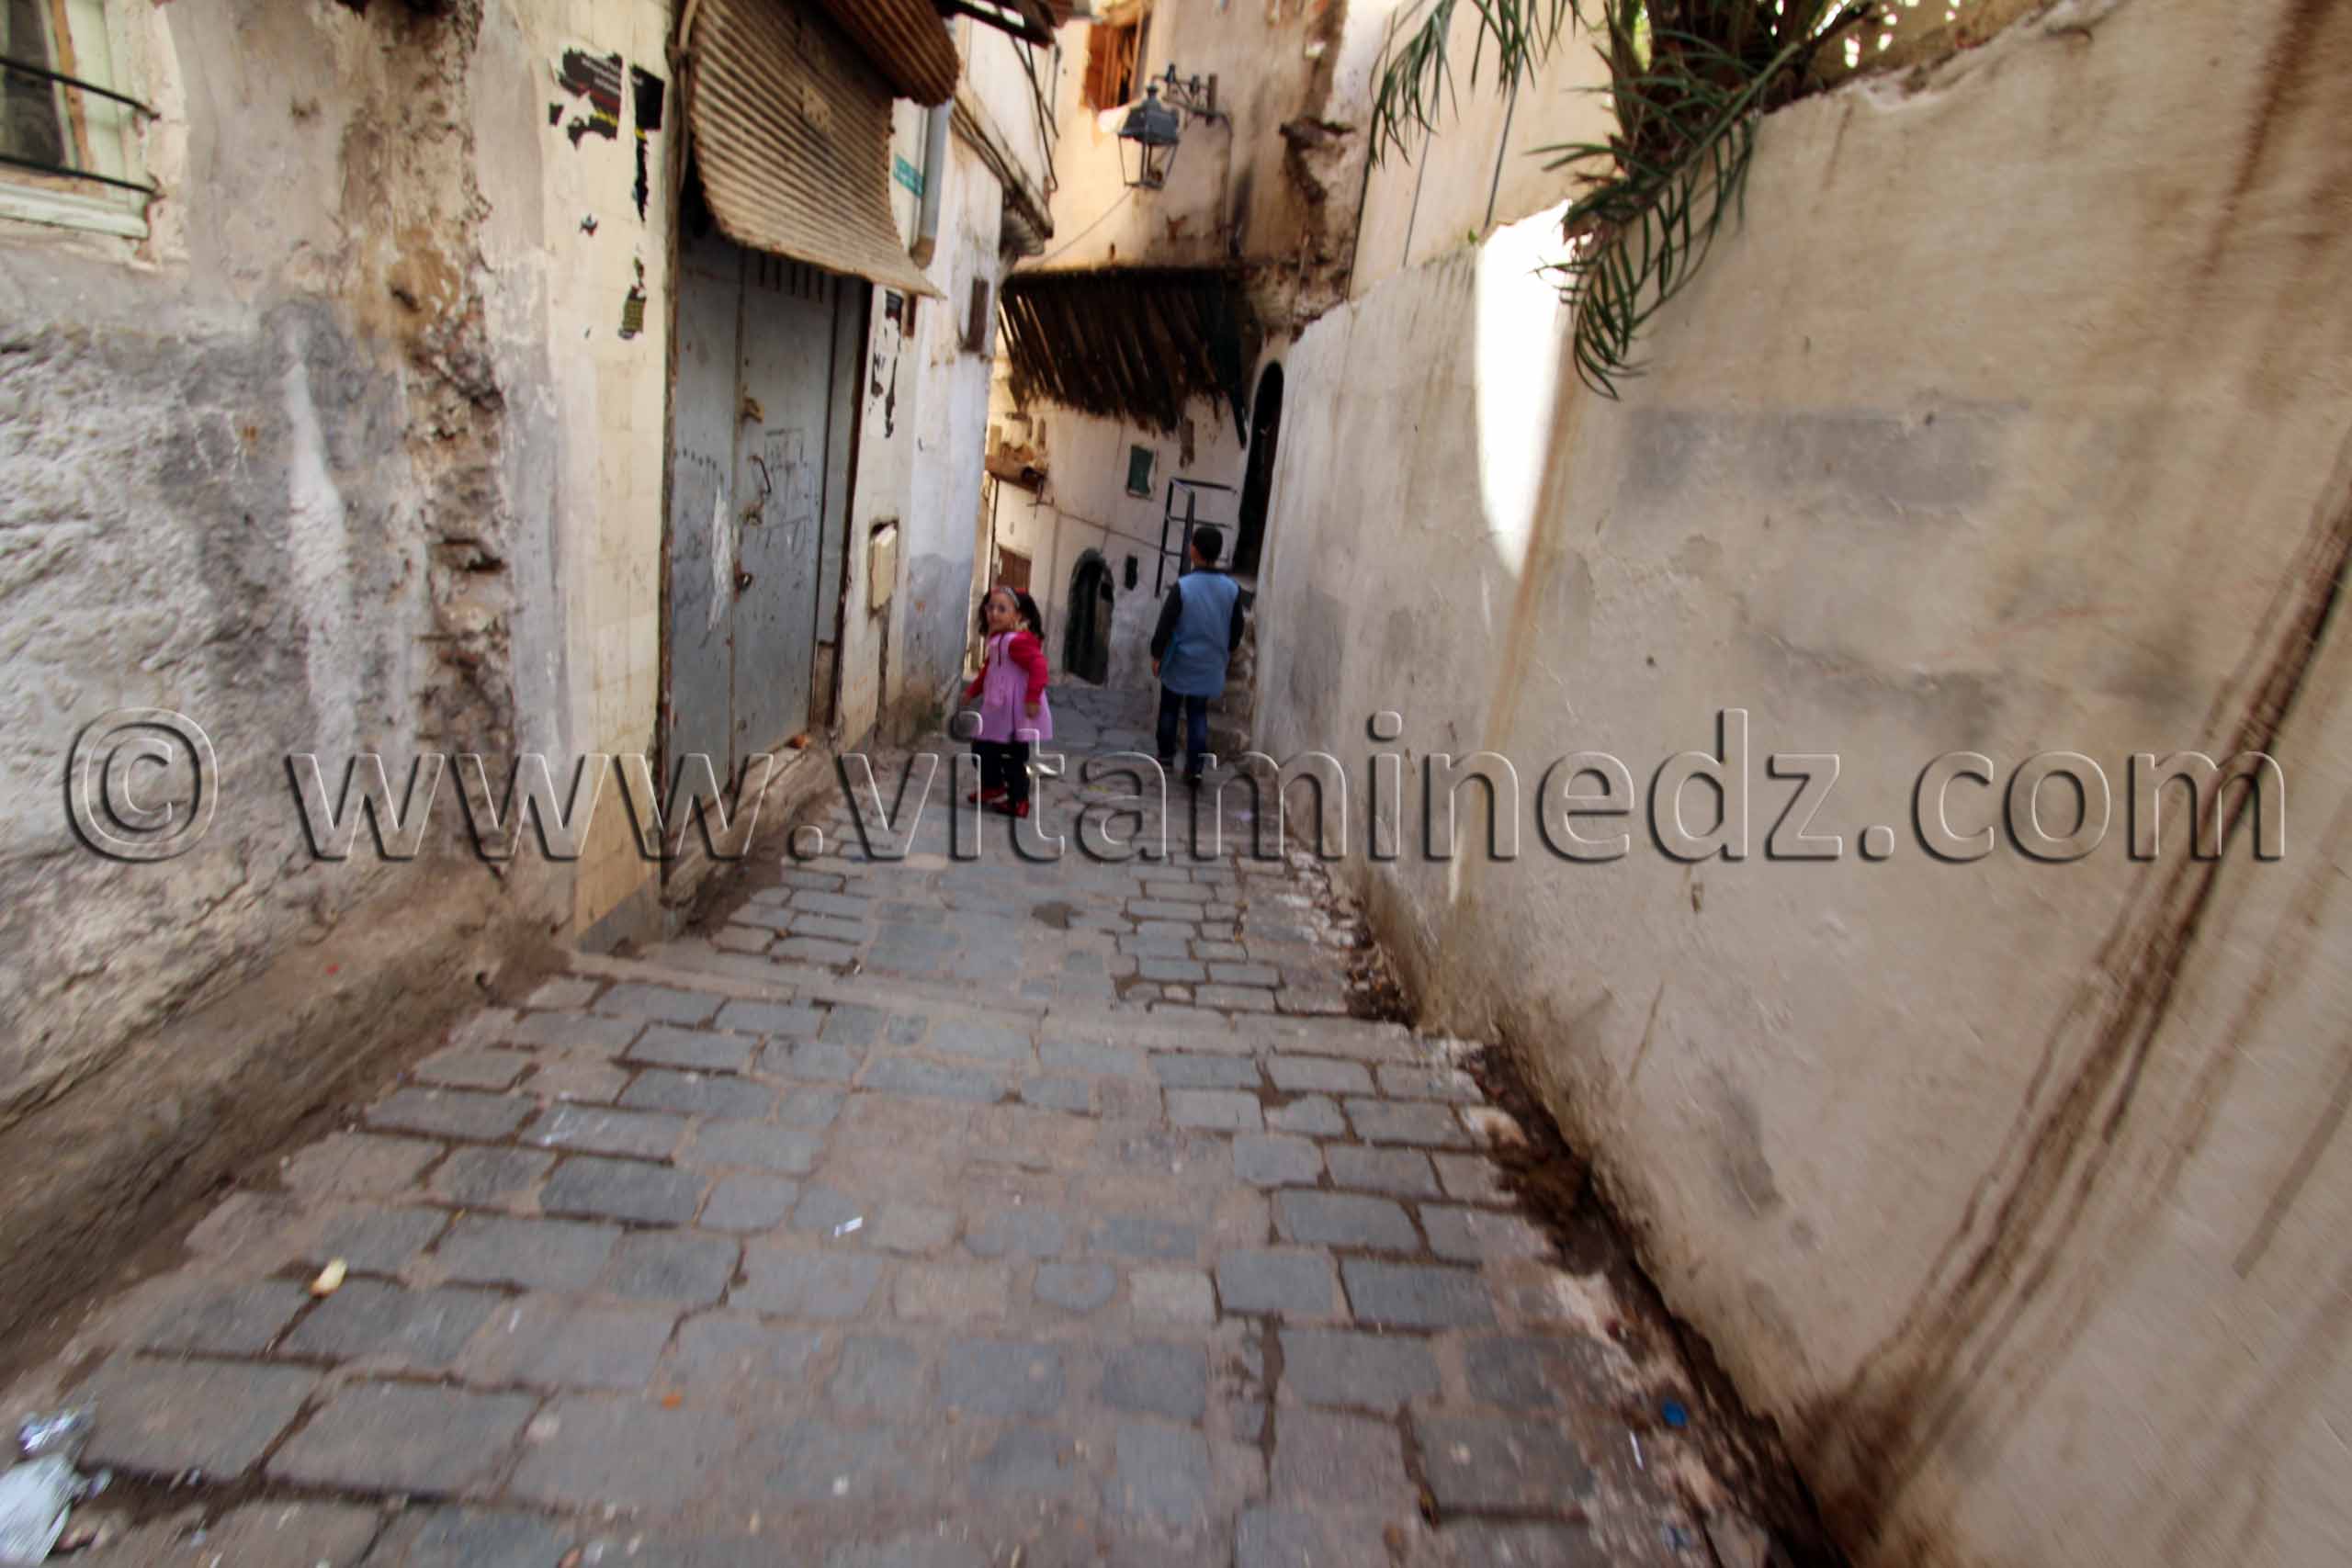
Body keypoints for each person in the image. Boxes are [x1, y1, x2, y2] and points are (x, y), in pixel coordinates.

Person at [1149, 524, 1246, 788]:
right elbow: (1237, 627)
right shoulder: (1232, 589)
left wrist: (1156, 654)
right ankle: (1195, 769)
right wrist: (1227, 649)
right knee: (1197, 713)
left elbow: (1165, 624)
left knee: (1169, 708)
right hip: (1211, 662)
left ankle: (1166, 756)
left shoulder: (1183, 587)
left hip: (1180, 660)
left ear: (1194, 550)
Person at [963, 584, 1051, 818]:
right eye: (991, 608)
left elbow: (1039, 666)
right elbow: (989, 671)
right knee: (981, 748)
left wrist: (1033, 697)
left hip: (1013, 712)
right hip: (996, 708)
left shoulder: (1017, 642)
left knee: (1012, 757)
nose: (994, 613)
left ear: (1017, 615)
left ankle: (1018, 801)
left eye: (1002, 609)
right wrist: (972, 691)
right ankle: (993, 786)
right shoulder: (998, 641)